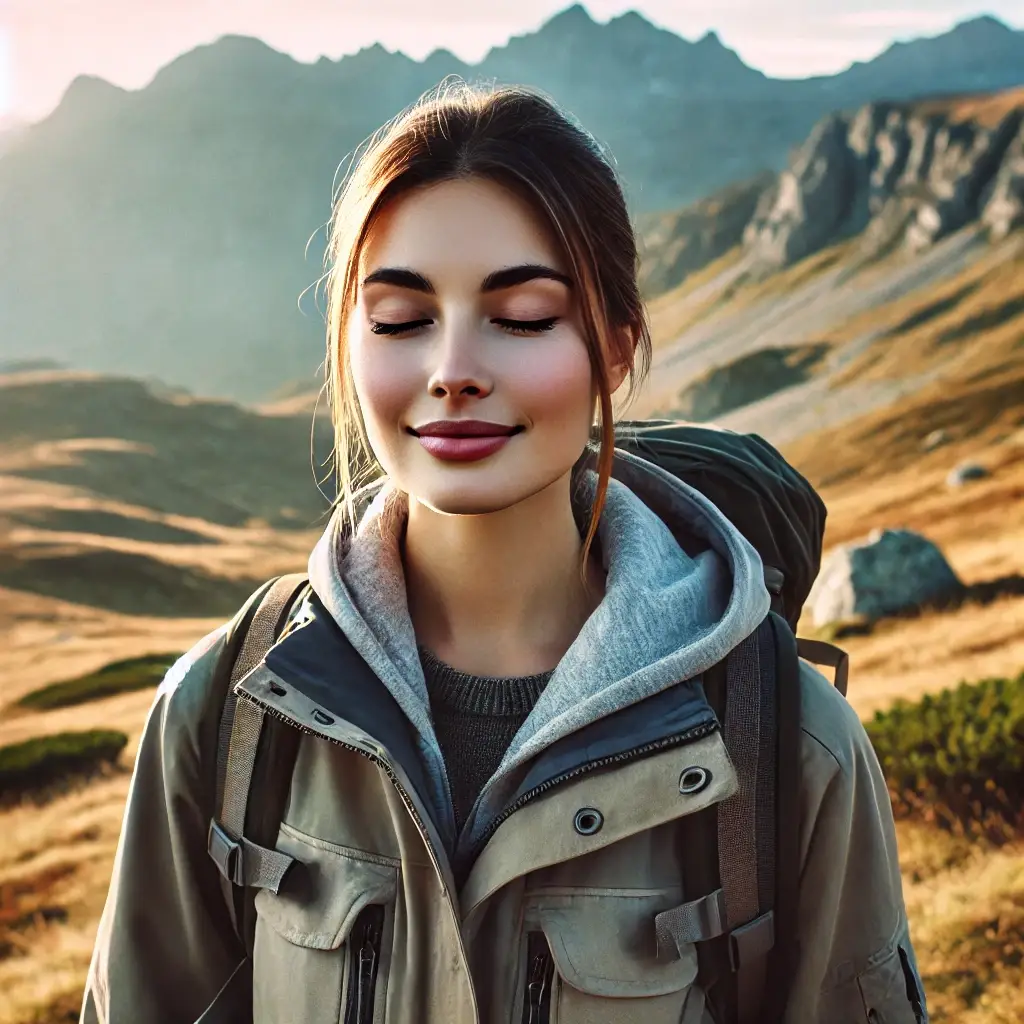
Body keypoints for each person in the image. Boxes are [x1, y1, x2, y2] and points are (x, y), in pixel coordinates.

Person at [80, 82, 928, 1024]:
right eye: (400, 319)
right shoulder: (222, 714)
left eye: (522, 314)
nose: (452, 369)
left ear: (615, 350)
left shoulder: (792, 751)